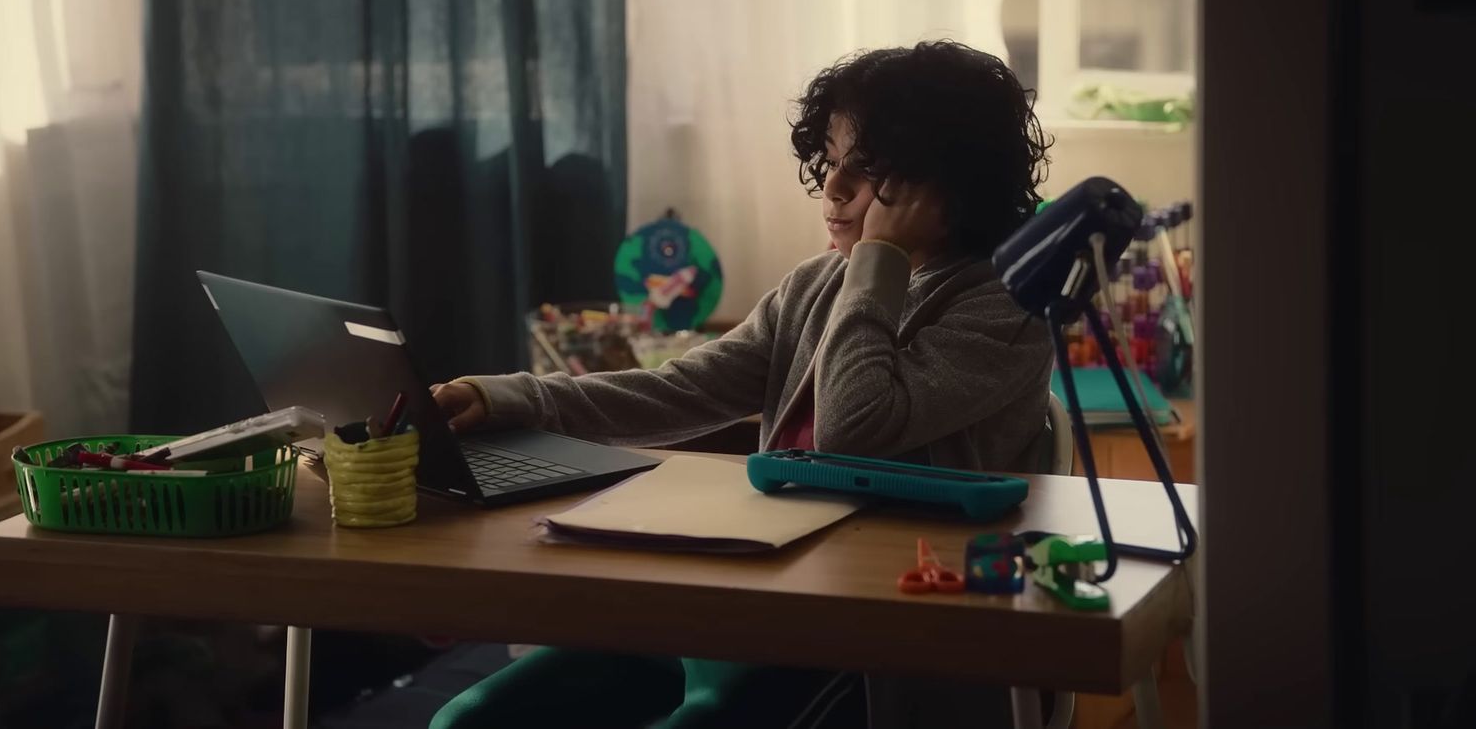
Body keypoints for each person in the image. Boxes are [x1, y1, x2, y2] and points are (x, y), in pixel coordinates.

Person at [428, 40, 1053, 729]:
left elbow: (854, 428)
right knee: (471, 717)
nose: (834, 187)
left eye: (868, 168)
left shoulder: (1003, 307)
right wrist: (514, 396)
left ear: (951, 182)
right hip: (754, 595)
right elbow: (679, 390)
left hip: (877, 647)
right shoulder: (817, 285)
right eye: (832, 160)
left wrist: (878, 259)